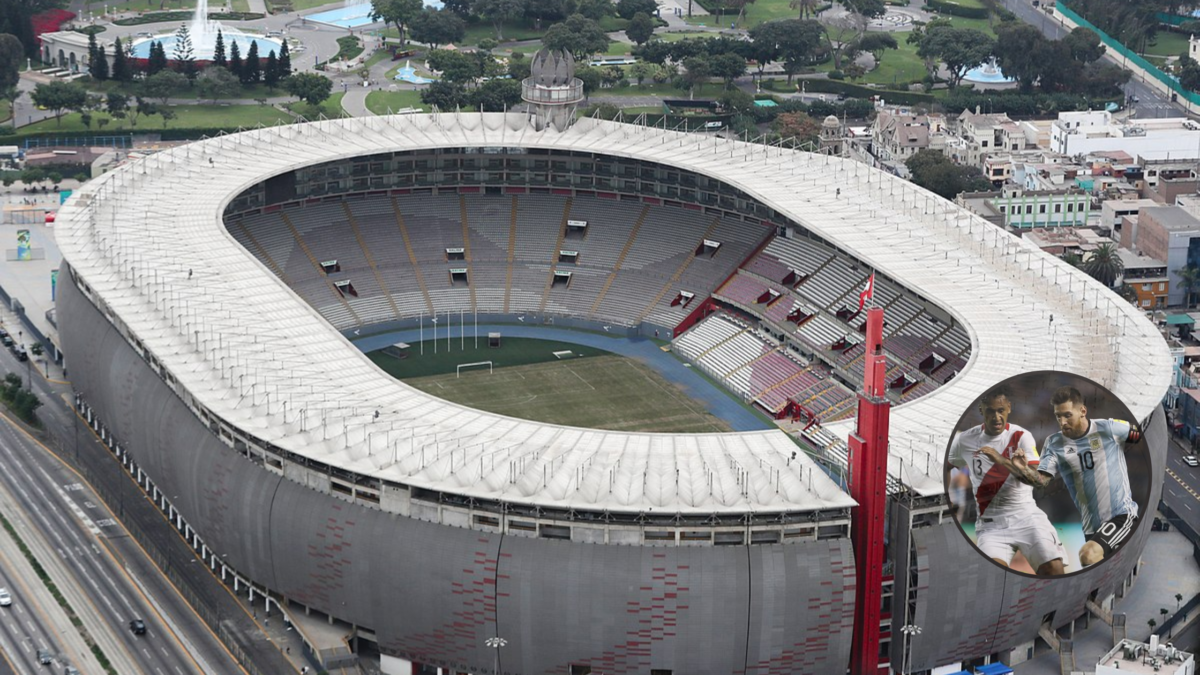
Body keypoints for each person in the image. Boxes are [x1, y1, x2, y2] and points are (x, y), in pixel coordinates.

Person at [995, 386, 1142, 568]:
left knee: (1088, 555)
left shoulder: (1108, 428)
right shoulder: (1054, 443)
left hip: (1120, 515)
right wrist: (1020, 468)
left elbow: (1140, 435)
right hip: (1091, 528)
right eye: (1058, 416)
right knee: (1093, 565)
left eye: (1067, 415)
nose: (1062, 422)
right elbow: (1041, 481)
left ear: (1082, 411)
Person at [949, 385, 1067, 576]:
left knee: (1054, 569)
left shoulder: (1021, 437)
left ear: (1009, 408)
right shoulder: (965, 440)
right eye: (990, 411)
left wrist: (1006, 462)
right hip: (991, 525)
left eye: (1001, 410)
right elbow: (950, 467)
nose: (996, 417)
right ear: (981, 410)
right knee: (992, 578)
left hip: (1026, 516)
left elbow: (1039, 481)